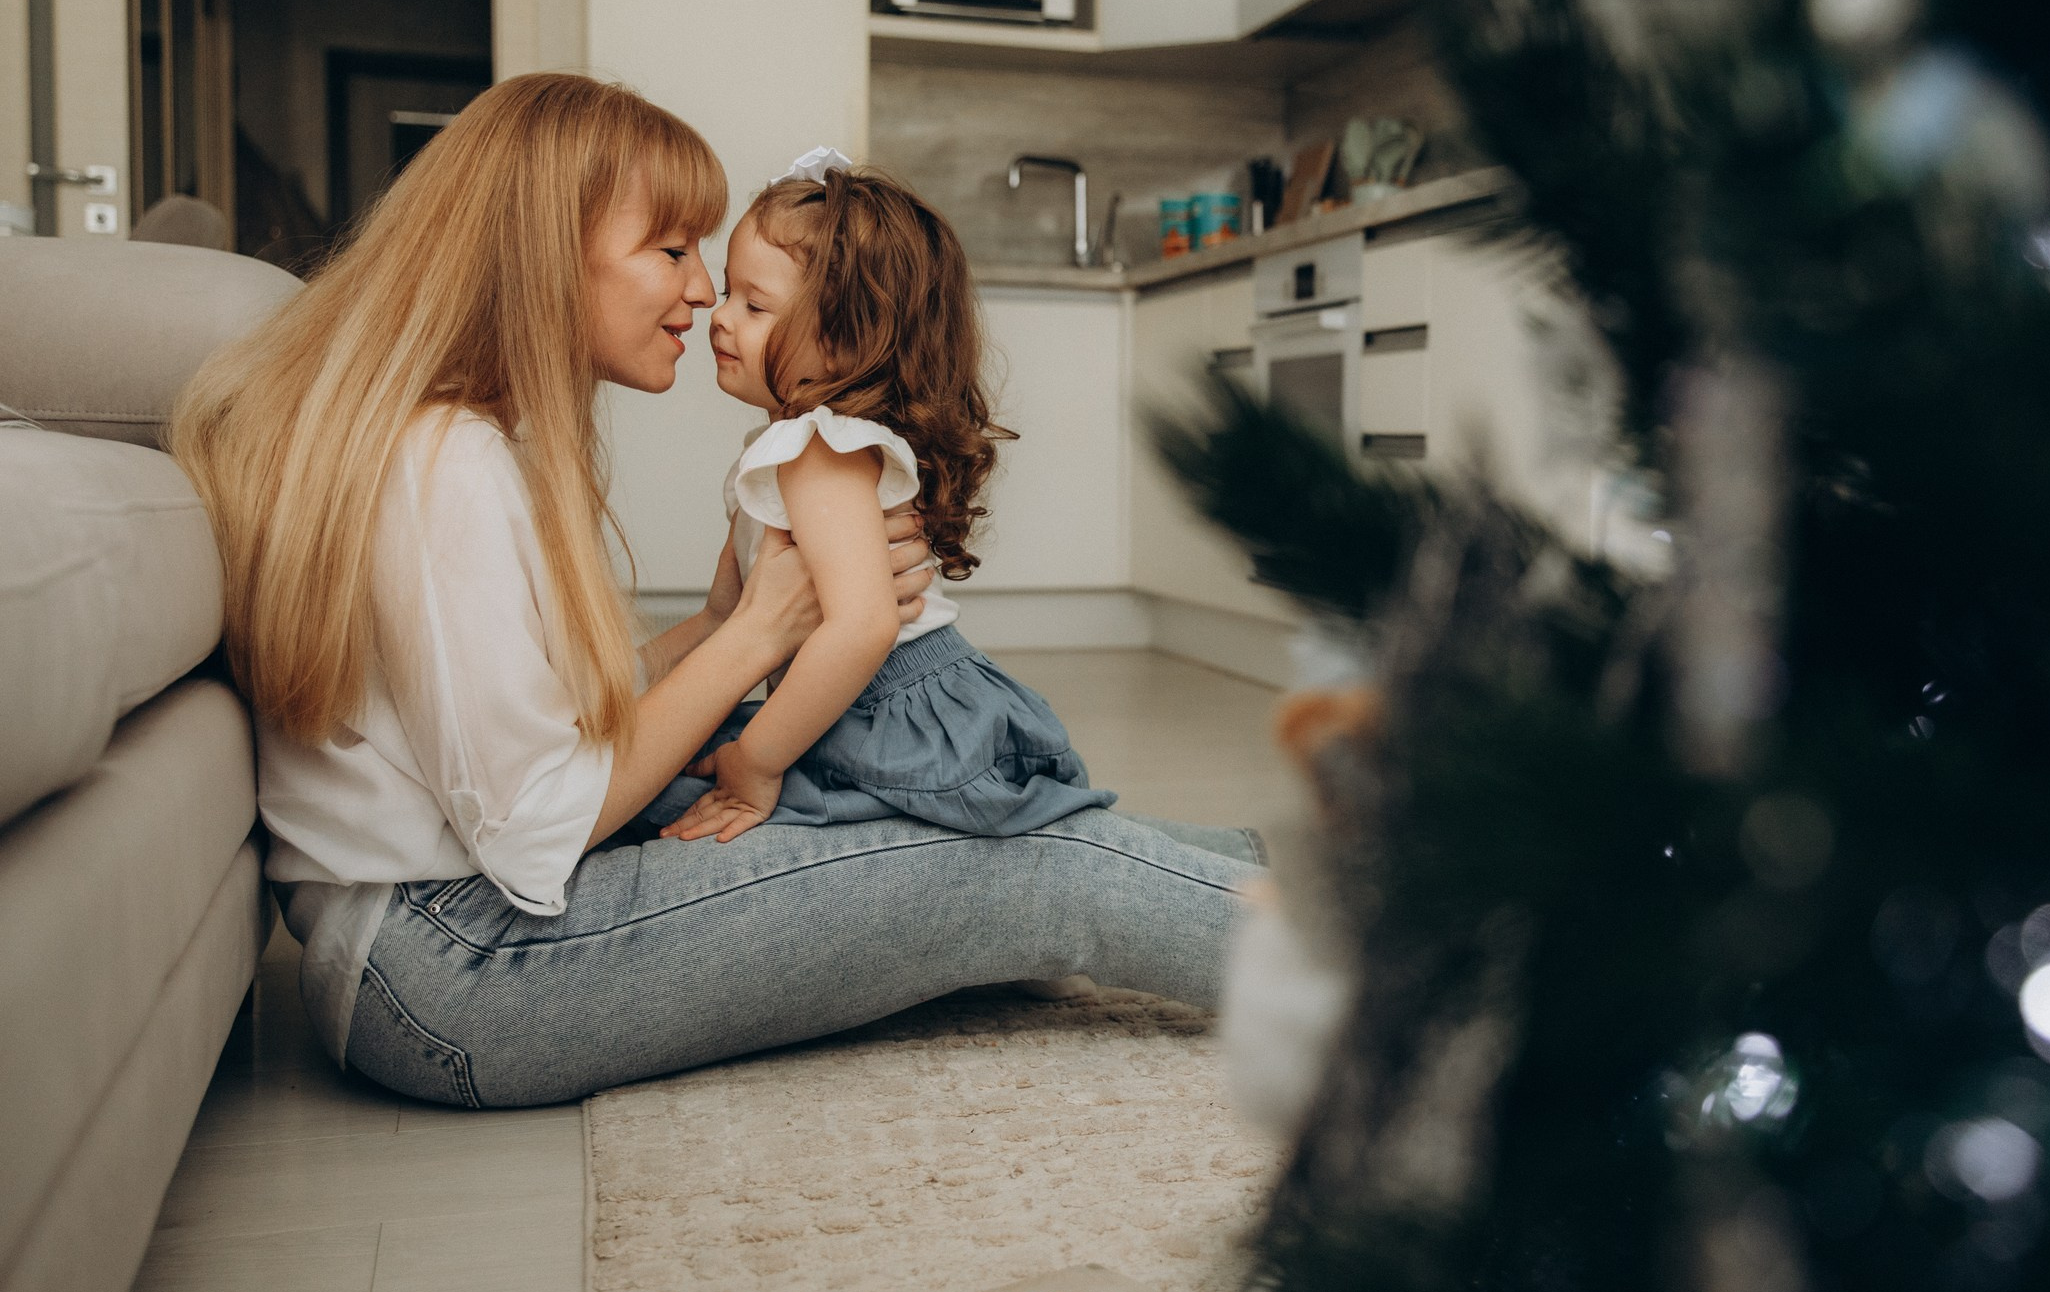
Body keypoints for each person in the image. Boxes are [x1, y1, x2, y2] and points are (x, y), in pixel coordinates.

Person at [171, 73, 1260, 1109]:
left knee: (969, 814)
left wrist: (719, 625)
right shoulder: (443, 466)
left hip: (439, 937)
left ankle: (1284, 883)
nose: (701, 290)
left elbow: (537, 723)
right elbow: (534, 824)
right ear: (547, 253)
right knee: (1022, 868)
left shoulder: (449, 442)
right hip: (462, 964)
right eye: (671, 249)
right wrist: (758, 635)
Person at [646, 150, 1115, 844]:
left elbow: (863, 628)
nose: (720, 317)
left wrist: (757, 762)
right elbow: (727, 618)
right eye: (726, 293)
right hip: (861, 700)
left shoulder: (816, 446)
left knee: (682, 799)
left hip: (897, 714)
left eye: (754, 305)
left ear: (845, 343)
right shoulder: (784, 445)